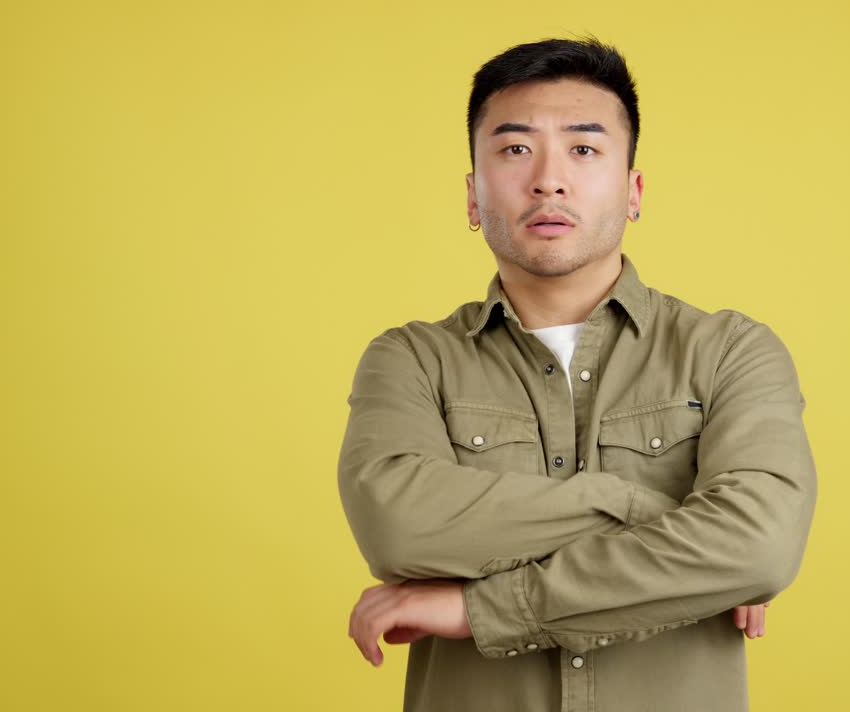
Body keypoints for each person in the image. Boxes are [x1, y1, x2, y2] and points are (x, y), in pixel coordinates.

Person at [337, 35, 818, 712]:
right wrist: (662, 518)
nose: (548, 179)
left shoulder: (731, 352)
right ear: (473, 197)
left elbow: (760, 547)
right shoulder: (410, 361)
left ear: (634, 190)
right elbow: (399, 530)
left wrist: (481, 609)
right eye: (514, 149)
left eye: (584, 148)